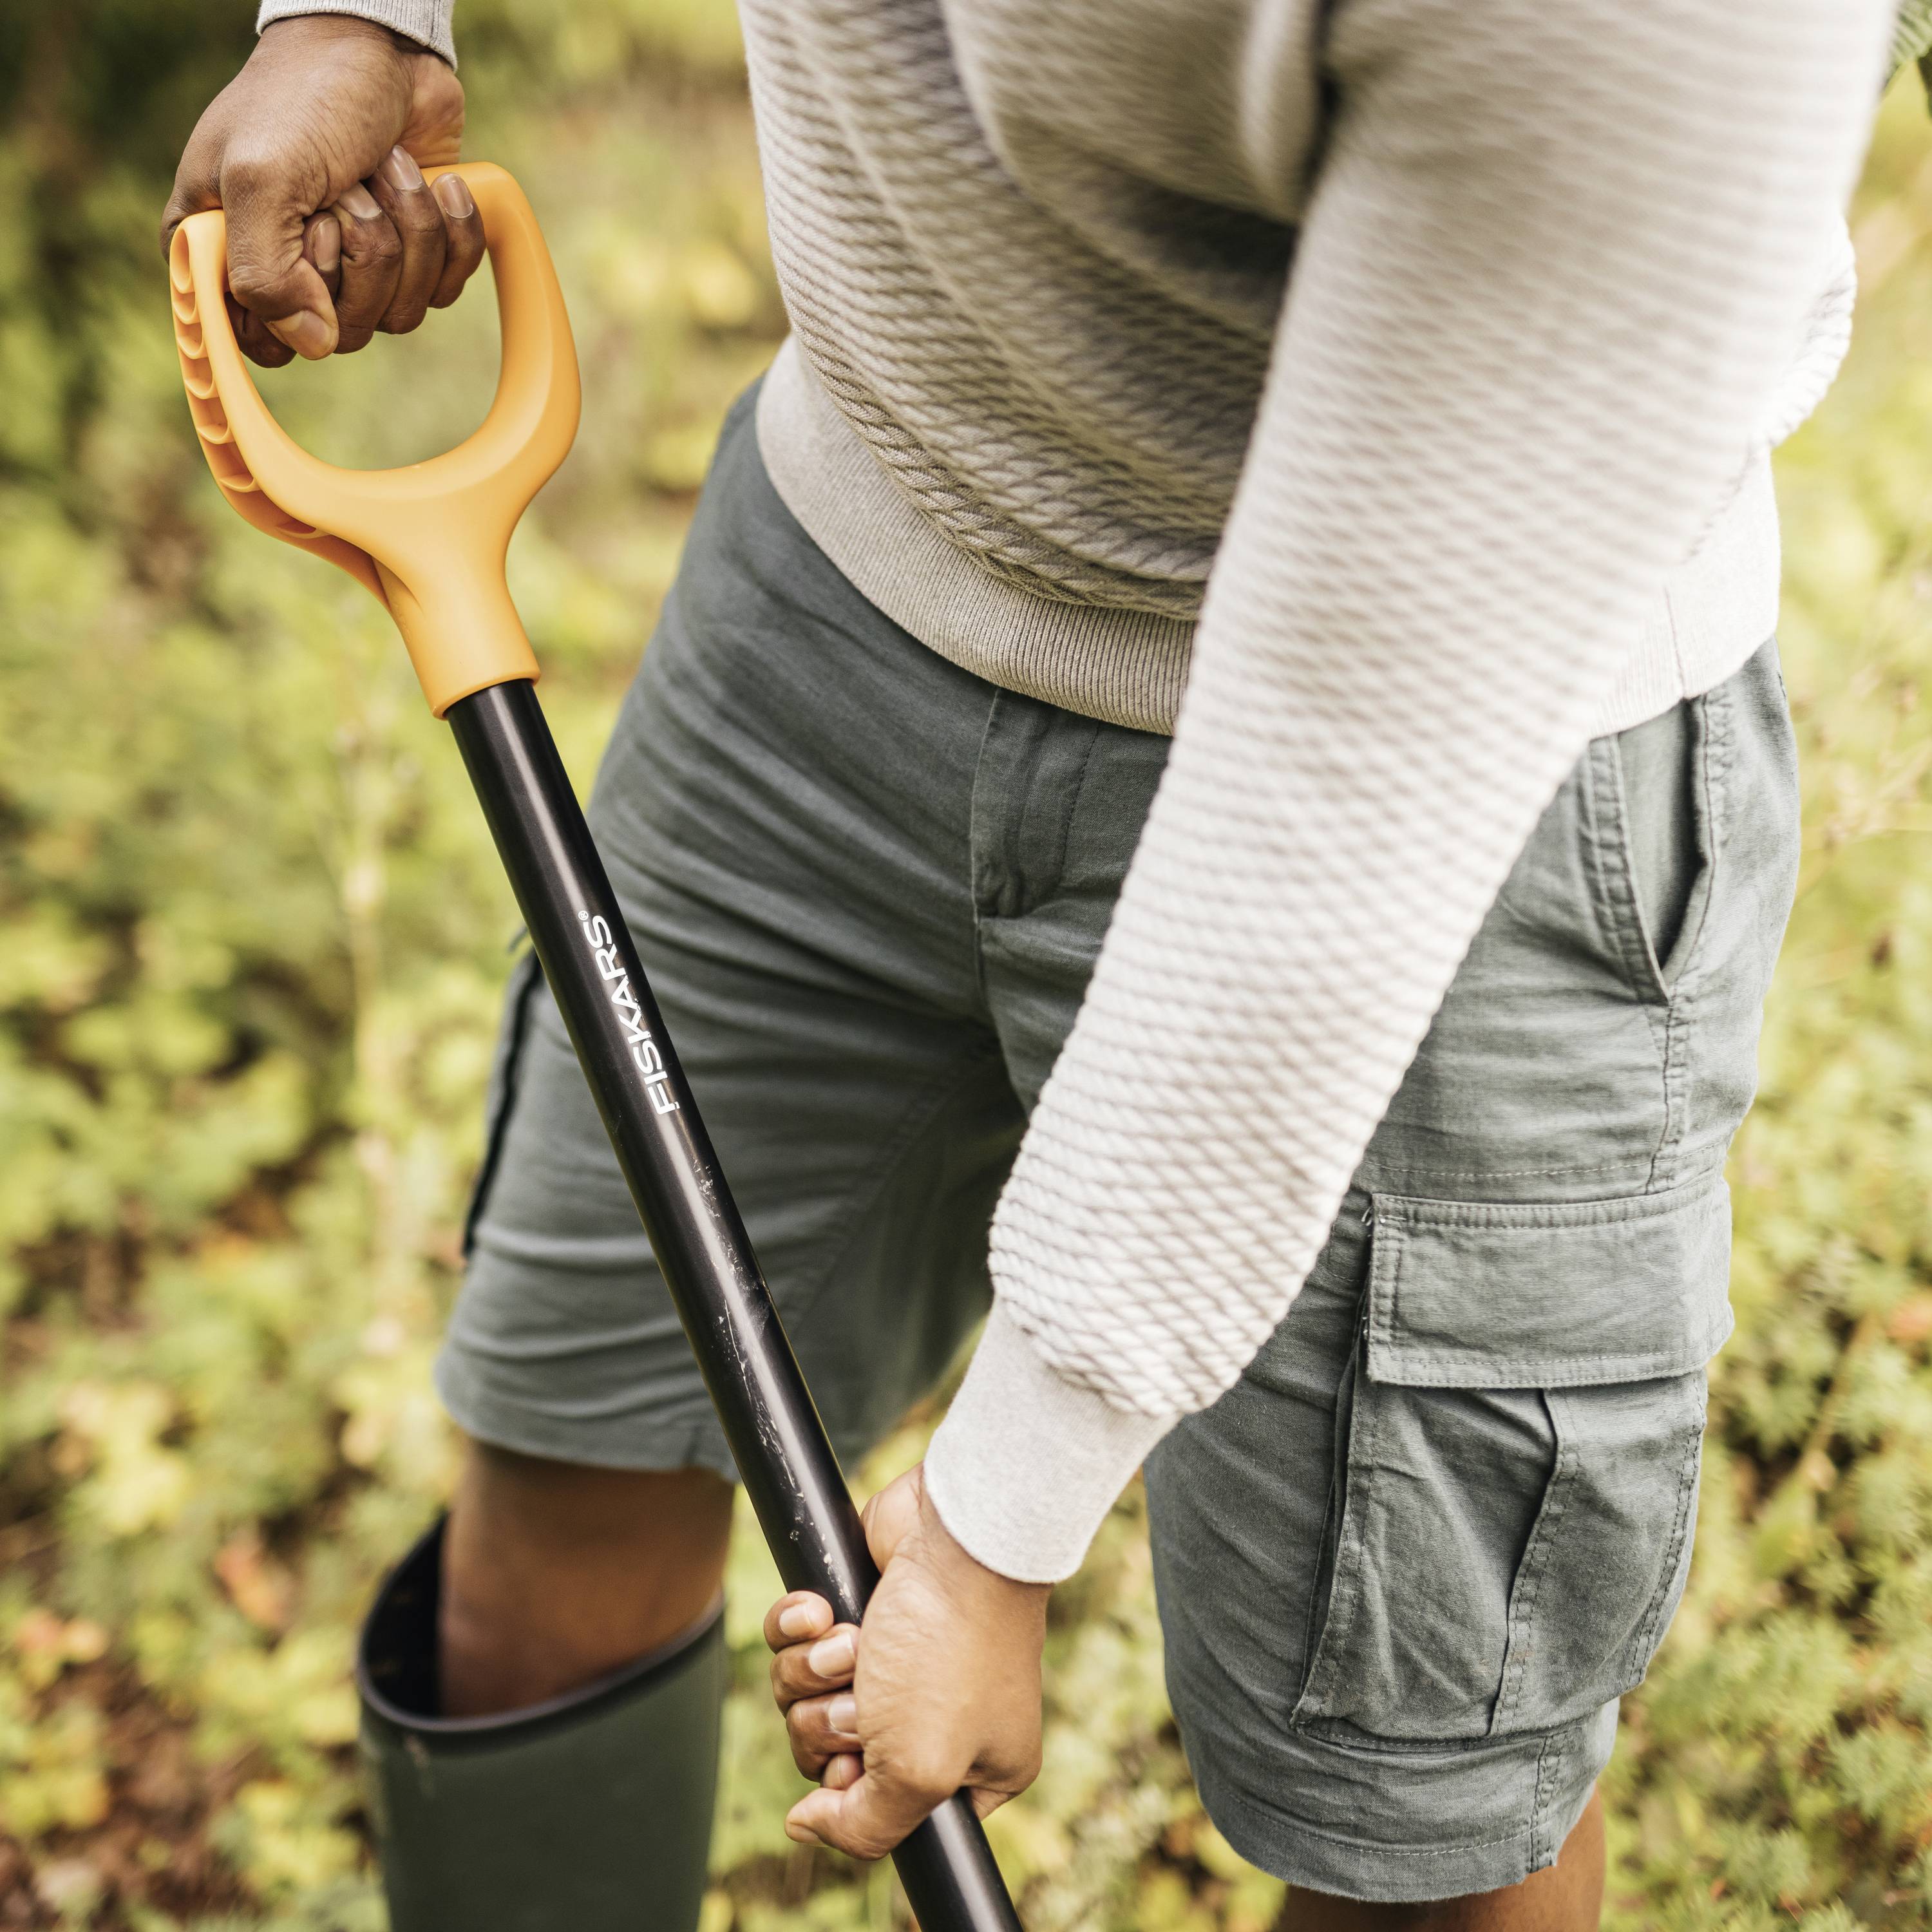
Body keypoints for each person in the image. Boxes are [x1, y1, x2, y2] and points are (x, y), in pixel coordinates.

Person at [163, 4, 1895, 1926]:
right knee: (560, 1497)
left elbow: (1365, 754)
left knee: (1421, 1827)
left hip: (1452, 771)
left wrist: (999, 1526)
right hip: (844, 586)